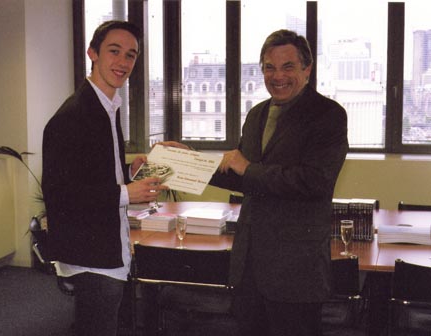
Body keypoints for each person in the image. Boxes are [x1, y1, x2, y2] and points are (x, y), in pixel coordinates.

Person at [160, 29, 348, 335]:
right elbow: (241, 176)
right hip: (249, 268)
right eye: (269, 68)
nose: (278, 76)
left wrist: (248, 168)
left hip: (295, 273)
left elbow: (315, 181)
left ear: (307, 69)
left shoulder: (328, 115)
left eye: (288, 66)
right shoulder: (258, 114)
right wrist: (185, 161)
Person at [41, 20, 167, 336]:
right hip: (91, 256)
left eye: (131, 55)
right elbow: (60, 194)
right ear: (92, 53)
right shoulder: (72, 116)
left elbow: (92, 174)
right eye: (114, 51)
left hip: (106, 245)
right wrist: (127, 193)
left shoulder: (107, 106)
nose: (123, 62)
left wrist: (129, 173)